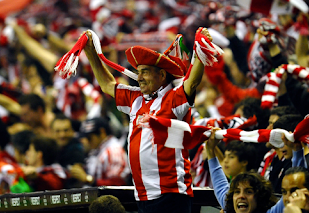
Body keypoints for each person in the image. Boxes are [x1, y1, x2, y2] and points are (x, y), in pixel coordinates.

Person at [83, 29, 211, 213]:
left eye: (144, 72)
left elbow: (192, 82)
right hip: (142, 194)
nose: (139, 78)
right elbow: (107, 85)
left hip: (171, 194)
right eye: (138, 72)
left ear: (161, 75)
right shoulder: (135, 98)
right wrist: (90, 53)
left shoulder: (174, 99)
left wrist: (200, 47)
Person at [70, 117, 129, 186]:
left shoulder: (113, 151)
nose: (86, 141)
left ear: (102, 132)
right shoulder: (99, 149)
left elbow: (117, 184)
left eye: (89, 138)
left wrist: (88, 179)